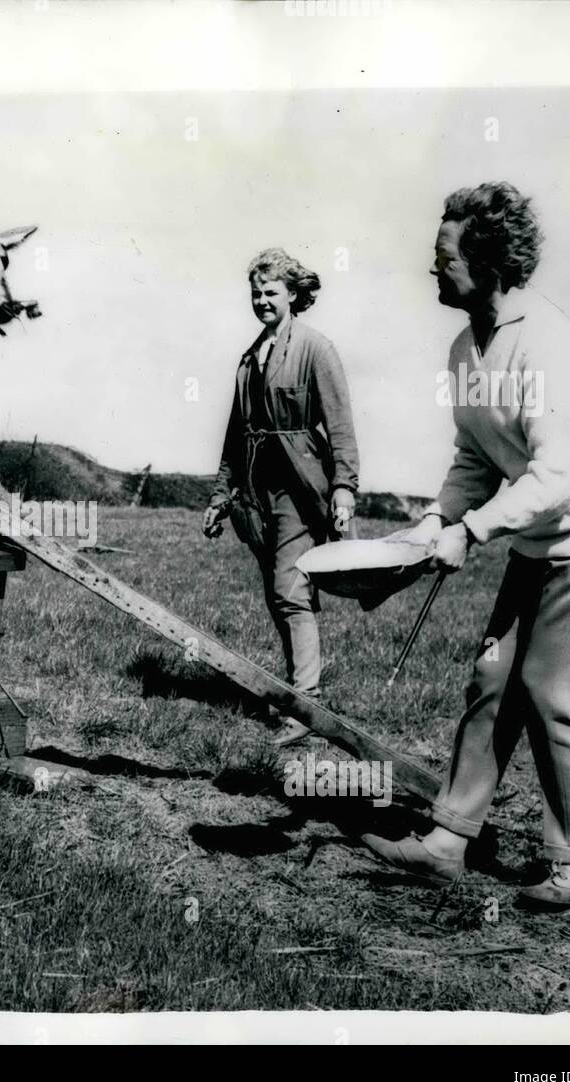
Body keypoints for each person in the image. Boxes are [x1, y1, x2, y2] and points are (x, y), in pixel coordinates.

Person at [362, 182, 570, 910]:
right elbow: (474, 457)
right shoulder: (466, 346)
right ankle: (448, 839)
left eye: (444, 257)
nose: (433, 268)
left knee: (551, 688)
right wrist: (436, 522)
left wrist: (473, 531)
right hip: (537, 536)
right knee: (493, 676)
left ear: (487, 265)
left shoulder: (548, 346)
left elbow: (555, 476)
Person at [204, 248, 360, 746]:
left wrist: (344, 489)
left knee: (291, 591)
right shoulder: (249, 359)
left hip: (300, 485)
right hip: (255, 490)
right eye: (256, 292)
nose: (262, 300)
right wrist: (220, 494)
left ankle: (304, 706)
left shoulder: (317, 349)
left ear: (293, 295)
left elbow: (340, 426)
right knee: (279, 595)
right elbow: (235, 433)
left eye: (271, 292)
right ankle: (300, 692)